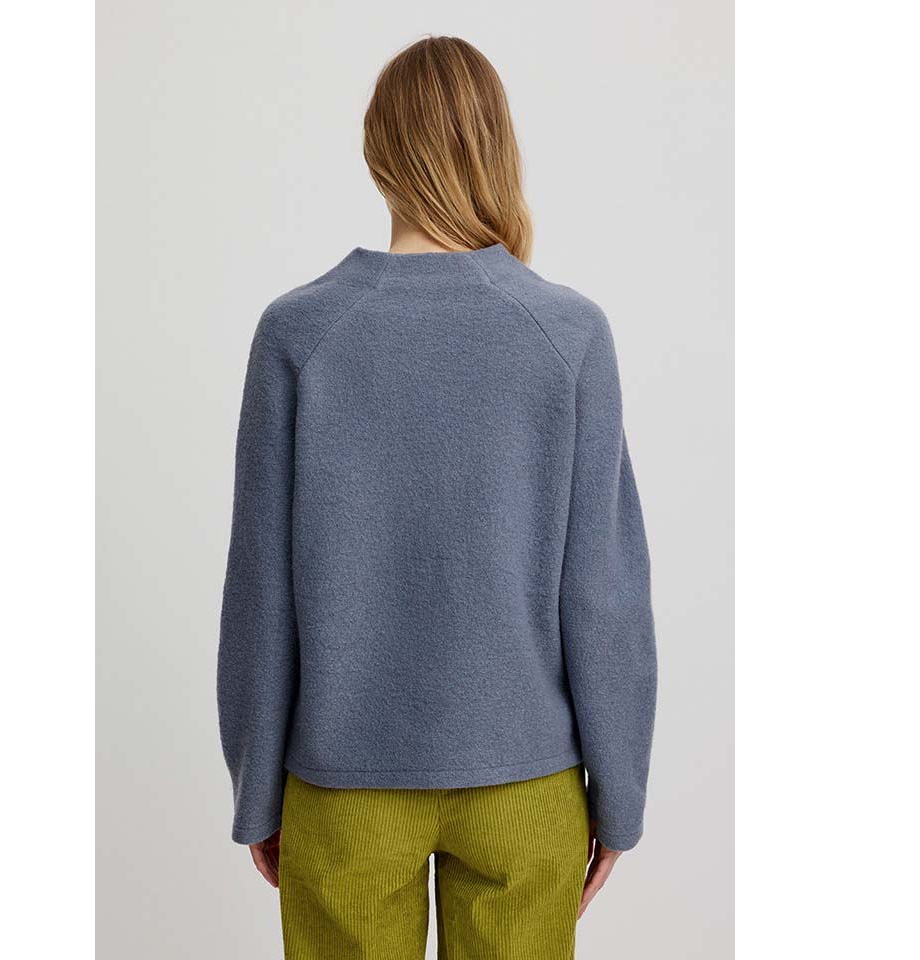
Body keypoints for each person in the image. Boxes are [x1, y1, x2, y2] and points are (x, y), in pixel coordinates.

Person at [218, 35, 657, 959]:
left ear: (378, 151)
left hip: (343, 785)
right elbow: (603, 593)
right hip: (525, 785)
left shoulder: (298, 333)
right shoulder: (568, 334)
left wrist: (257, 791)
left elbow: (260, 588)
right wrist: (618, 795)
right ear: (498, 145)